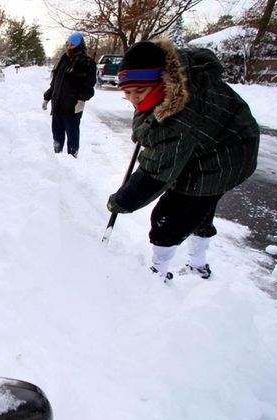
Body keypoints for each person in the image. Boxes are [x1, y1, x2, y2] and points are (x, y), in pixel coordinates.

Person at [106, 39, 259, 281]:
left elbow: (155, 172)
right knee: (199, 208)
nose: (133, 98)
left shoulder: (177, 115)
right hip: (220, 139)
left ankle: (158, 273)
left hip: (224, 155)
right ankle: (199, 265)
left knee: (169, 217)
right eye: (127, 92)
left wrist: (121, 201)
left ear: (159, 81)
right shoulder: (174, 80)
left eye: (140, 91)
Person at [42, 31, 97, 158]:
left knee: (72, 135)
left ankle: (72, 158)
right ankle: (57, 158)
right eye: (67, 44)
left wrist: (82, 100)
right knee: (57, 135)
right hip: (57, 107)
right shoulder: (63, 60)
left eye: (72, 45)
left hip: (72, 108)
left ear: (79, 46)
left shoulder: (86, 63)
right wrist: (47, 97)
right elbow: (55, 83)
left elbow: (88, 85)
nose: (68, 47)